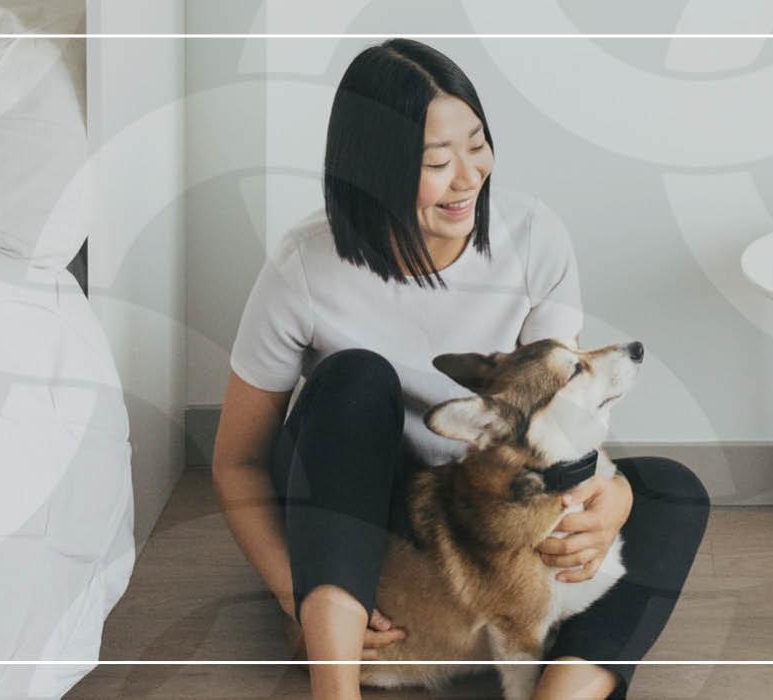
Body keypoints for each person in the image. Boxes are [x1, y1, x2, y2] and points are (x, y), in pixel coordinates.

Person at [210, 38, 709, 700]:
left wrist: (609, 499)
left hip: (476, 509)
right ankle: (335, 672)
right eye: (437, 161)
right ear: (374, 172)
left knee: (672, 490)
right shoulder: (305, 267)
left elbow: (560, 416)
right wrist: (290, 586)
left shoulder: (534, 237)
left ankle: (560, 693)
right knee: (356, 378)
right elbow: (237, 462)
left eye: (477, 145)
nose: (470, 175)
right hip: (359, 503)